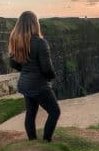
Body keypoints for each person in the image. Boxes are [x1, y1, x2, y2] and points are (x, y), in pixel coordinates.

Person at [8, 11, 60, 142]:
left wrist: (26, 70)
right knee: (54, 112)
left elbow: (13, 62)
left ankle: (32, 142)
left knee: (31, 113)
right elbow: (47, 68)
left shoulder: (16, 41)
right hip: (39, 85)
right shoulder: (40, 43)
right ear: (34, 24)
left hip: (25, 84)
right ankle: (46, 141)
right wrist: (52, 77)